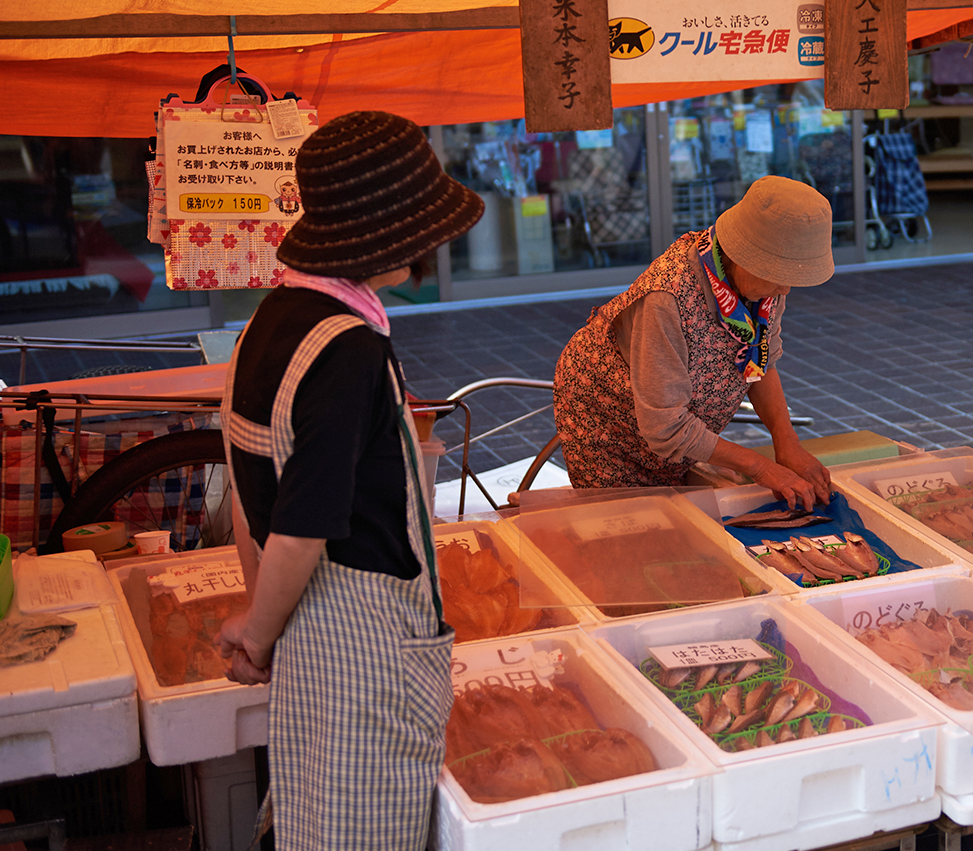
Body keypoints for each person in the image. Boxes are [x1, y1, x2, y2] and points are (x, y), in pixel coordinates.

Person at [217, 111, 483, 851]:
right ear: (386, 238)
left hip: (306, 635)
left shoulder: (267, 323)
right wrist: (259, 634)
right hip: (363, 655)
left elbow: (249, 496)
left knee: (312, 819)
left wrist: (263, 620)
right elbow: (301, 527)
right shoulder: (348, 350)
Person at [553, 175, 834, 509]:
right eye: (777, 276)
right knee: (628, 520)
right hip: (611, 423)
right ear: (742, 255)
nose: (784, 290)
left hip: (674, 422)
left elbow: (759, 363)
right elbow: (666, 426)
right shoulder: (667, 297)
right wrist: (760, 467)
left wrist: (787, 442)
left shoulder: (764, 287)